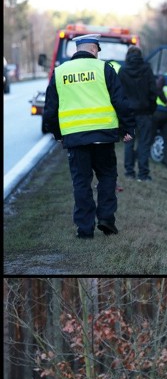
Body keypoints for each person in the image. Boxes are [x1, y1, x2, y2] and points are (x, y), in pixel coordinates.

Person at [43, 34, 135, 239]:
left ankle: (84, 230)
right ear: (94, 49)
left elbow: (50, 110)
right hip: (103, 136)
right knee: (107, 177)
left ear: (78, 49)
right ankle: (106, 219)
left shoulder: (60, 72)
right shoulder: (104, 69)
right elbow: (121, 102)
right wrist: (128, 128)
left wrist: (57, 134)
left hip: (75, 139)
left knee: (81, 183)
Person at [118, 47, 157, 181]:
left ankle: (129, 173)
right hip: (144, 113)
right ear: (140, 55)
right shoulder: (147, 69)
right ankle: (143, 174)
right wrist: (151, 109)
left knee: (128, 142)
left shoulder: (122, 71)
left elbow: (119, 94)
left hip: (128, 114)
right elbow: (153, 91)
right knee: (144, 143)